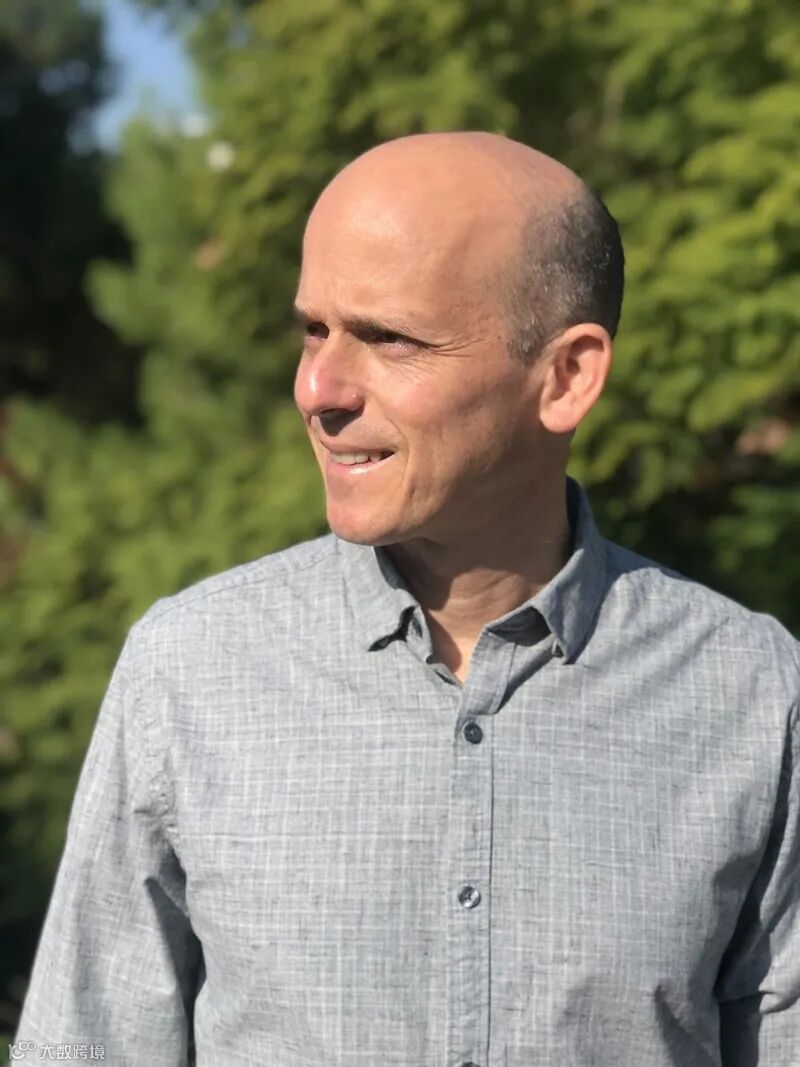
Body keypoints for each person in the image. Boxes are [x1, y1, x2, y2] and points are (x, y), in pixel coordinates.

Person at [14, 132, 800, 1066]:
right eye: (314, 330)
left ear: (567, 376)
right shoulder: (188, 671)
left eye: (390, 339)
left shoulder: (754, 694)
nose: (318, 389)